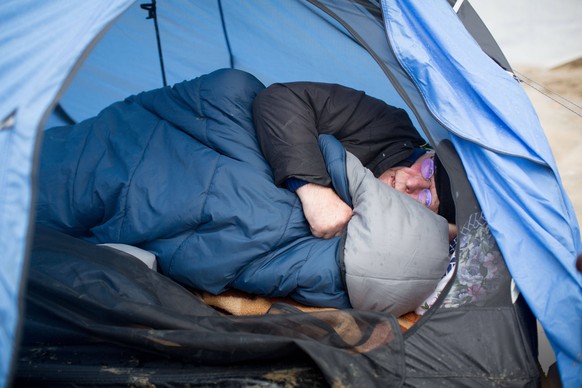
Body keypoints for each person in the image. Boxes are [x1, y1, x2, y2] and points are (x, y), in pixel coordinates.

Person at [253, 81, 456, 239]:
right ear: (431, 152)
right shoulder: (386, 125)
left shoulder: (406, 235)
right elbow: (281, 99)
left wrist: (435, 235)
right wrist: (312, 189)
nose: (412, 182)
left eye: (426, 198)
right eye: (429, 169)